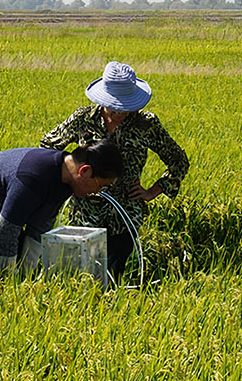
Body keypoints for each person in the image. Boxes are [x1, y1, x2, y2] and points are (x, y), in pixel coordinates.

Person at [40, 61, 189, 277]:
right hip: (85, 213)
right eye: (115, 107)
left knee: (112, 274)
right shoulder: (83, 119)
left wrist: (153, 191)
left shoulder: (146, 124)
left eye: (126, 107)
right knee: (81, 273)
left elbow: (178, 160)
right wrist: (71, 180)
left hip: (126, 213)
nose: (120, 112)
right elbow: (47, 148)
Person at [0, 139, 123, 274]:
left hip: (6, 217)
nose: (97, 192)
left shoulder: (66, 180)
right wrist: (11, 279)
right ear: (84, 171)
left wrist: (26, 273)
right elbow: (5, 232)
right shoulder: (33, 178)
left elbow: (39, 227)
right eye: (100, 185)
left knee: (18, 268)